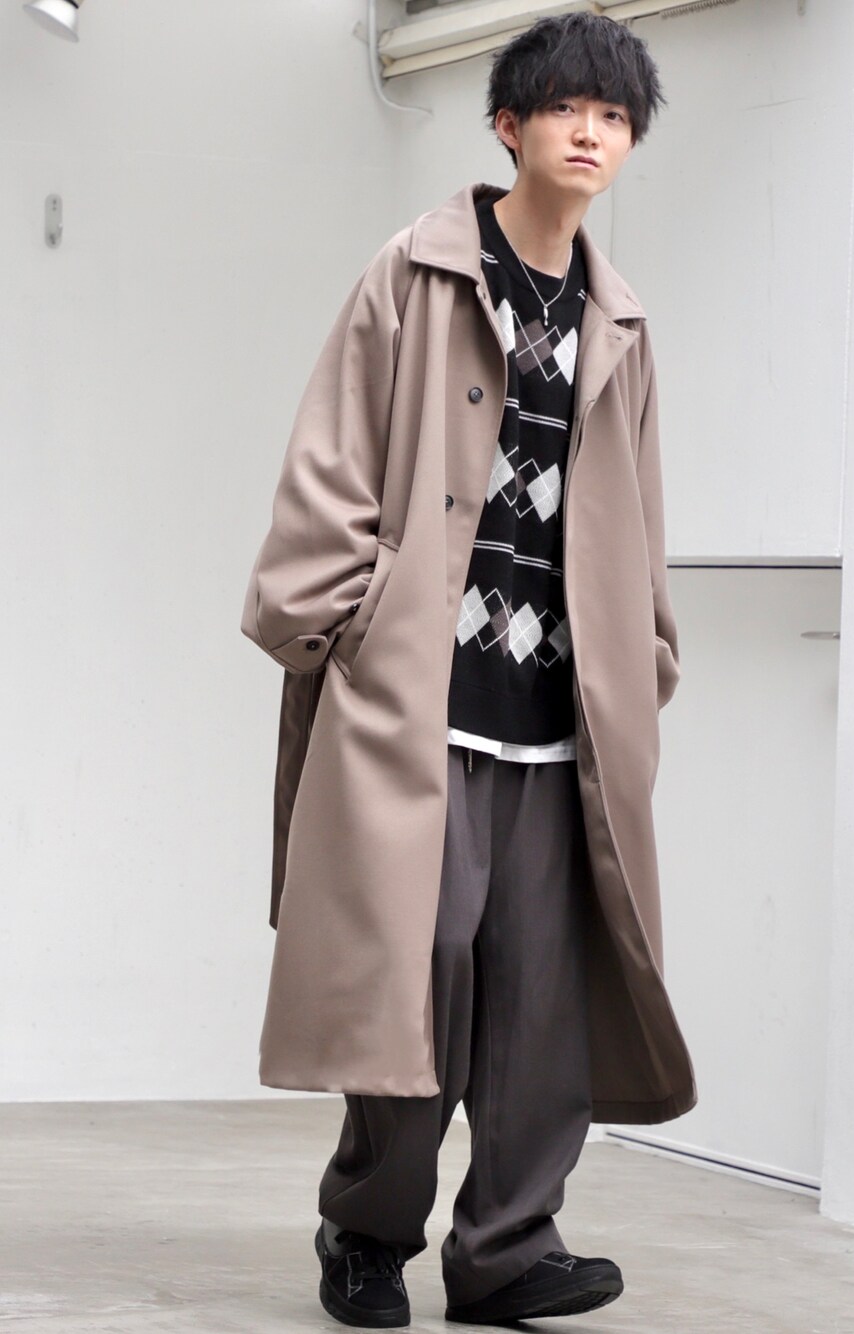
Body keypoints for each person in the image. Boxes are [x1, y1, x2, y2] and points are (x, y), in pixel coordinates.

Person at [242, 10, 695, 1329]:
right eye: (567, 109)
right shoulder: (418, 274)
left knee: (546, 1000)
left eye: (615, 118)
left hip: (563, 719)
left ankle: (506, 1250)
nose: (592, 133)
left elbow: (640, 513)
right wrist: (339, 621)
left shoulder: (621, 321)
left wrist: (646, 654)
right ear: (509, 124)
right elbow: (332, 455)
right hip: (423, 706)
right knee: (417, 975)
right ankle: (369, 1231)